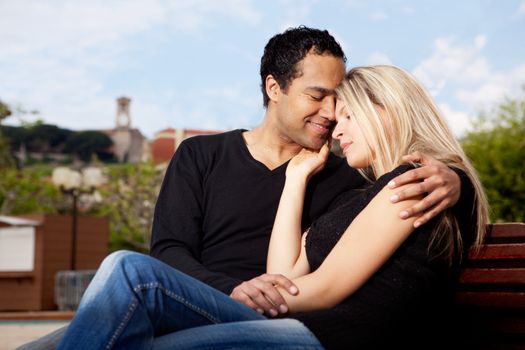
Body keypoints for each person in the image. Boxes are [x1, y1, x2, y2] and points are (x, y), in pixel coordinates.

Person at [19, 26, 462, 349]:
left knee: (124, 278)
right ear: (274, 88)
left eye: (340, 103)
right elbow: (170, 251)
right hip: (197, 302)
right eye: (318, 96)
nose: (330, 114)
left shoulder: (353, 179)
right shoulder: (200, 155)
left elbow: (403, 183)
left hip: (278, 318)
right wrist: (233, 288)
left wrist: (454, 177)